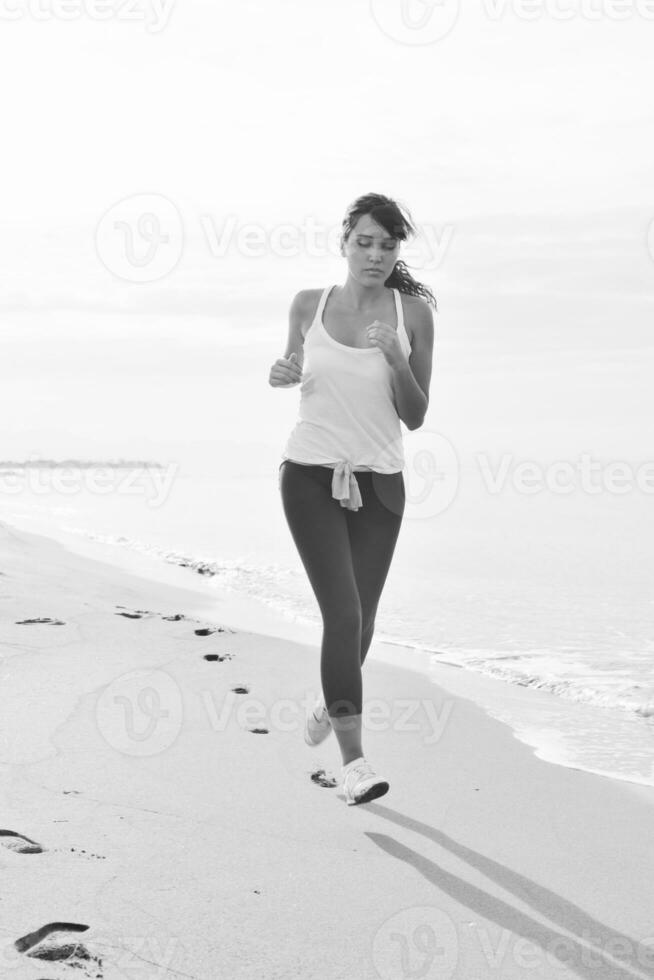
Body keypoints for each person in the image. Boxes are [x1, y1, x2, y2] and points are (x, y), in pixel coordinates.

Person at [269, 192, 436, 805]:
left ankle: (330, 702)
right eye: (364, 241)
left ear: (397, 251)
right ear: (344, 242)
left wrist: (396, 359)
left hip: (381, 480)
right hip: (310, 473)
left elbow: (415, 416)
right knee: (342, 615)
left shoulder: (412, 314)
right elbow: (291, 367)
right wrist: (279, 372)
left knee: (361, 624)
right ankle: (354, 762)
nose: (375, 254)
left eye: (387, 245)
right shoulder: (308, 304)